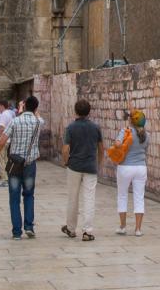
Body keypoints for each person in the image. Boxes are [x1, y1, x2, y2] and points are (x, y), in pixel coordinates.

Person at [0, 95, 43, 240]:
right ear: (36, 108)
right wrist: (32, 109)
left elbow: (2, 140)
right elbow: (38, 115)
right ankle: (29, 226)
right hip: (30, 164)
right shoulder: (38, 122)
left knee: (14, 197)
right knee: (29, 195)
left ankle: (16, 232)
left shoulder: (15, 121)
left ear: (24, 106)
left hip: (15, 164)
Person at [60, 99, 103, 241]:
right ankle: (88, 231)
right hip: (90, 166)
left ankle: (71, 228)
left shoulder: (71, 128)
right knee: (89, 198)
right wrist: (99, 163)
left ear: (75, 111)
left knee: (73, 197)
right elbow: (101, 148)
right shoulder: (96, 127)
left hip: (74, 166)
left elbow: (66, 149)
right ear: (89, 111)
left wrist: (66, 162)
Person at [111, 109, 149, 236]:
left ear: (131, 121)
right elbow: (145, 151)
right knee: (139, 197)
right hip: (141, 168)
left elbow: (117, 144)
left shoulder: (125, 132)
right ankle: (138, 229)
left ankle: (122, 226)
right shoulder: (146, 135)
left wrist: (119, 144)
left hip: (125, 167)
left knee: (122, 196)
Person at [0, 100, 15, 188]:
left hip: (1, 141)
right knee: (4, 160)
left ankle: (4, 180)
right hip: (6, 140)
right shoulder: (9, 114)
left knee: (0, 160)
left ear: (2, 106)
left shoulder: (4, 114)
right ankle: (7, 178)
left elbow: (1, 128)